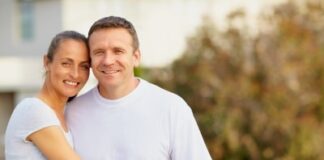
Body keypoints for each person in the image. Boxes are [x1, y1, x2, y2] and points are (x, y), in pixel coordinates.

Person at [66, 16, 212, 160]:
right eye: (99, 52)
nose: (108, 61)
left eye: (118, 51)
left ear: (136, 57)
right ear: (90, 59)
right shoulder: (72, 113)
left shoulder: (171, 108)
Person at [5, 31, 90, 160]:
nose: (75, 74)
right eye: (66, 63)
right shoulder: (33, 110)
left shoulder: (67, 113)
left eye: (84, 66)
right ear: (46, 62)